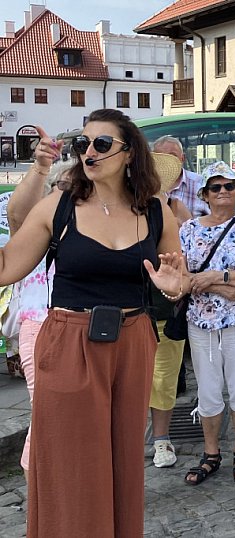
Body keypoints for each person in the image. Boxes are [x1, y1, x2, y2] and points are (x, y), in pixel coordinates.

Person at [0, 109, 184, 538]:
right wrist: (38, 169)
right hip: (70, 343)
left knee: (124, 461)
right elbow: (6, 265)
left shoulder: (156, 211)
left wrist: (175, 286)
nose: (89, 152)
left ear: (129, 154)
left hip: (133, 342)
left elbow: (179, 279)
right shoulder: (59, 206)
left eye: (102, 143)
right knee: (70, 463)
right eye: (83, 144)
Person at [179, 161, 235, 485]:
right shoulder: (188, 230)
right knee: (208, 390)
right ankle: (211, 452)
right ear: (204, 194)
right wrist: (222, 287)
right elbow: (182, 277)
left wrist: (217, 276)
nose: (223, 192)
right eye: (215, 187)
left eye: (229, 186)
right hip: (201, 322)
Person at [6, 153, 73, 485]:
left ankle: (63, 489)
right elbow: (16, 214)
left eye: (77, 187)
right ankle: (39, 498)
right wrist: (41, 166)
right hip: (40, 327)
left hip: (79, 328)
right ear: (50, 190)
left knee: (70, 416)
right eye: (63, 185)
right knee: (45, 414)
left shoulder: (87, 227)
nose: (70, 192)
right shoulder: (36, 226)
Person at [148, 152, 194, 468]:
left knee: (164, 378)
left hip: (165, 306)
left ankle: (161, 439)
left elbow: (187, 258)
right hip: (127, 309)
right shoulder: (119, 211)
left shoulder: (173, 208)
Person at [152, 135, 209, 218]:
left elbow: (215, 220)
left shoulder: (200, 184)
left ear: (182, 158)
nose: (167, 161)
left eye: (172, 156)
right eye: (161, 156)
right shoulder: (144, 186)